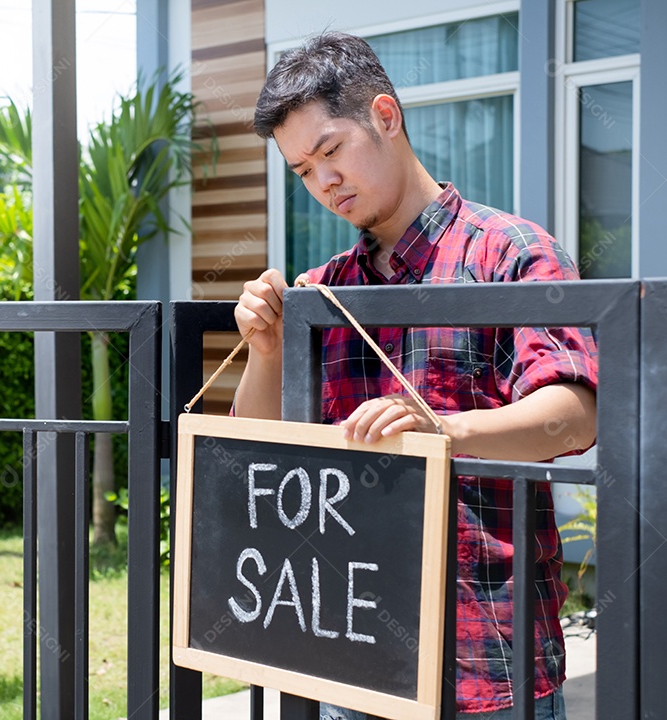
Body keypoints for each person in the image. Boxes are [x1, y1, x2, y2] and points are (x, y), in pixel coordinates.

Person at [233, 32, 597, 719]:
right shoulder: (321, 292)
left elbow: (575, 414)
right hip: (348, 650)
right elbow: (254, 457)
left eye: (332, 150)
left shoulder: (512, 253)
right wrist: (266, 350)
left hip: (486, 659)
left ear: (386, 117)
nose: (323, 183)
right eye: (303, 171)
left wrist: (443, 430)